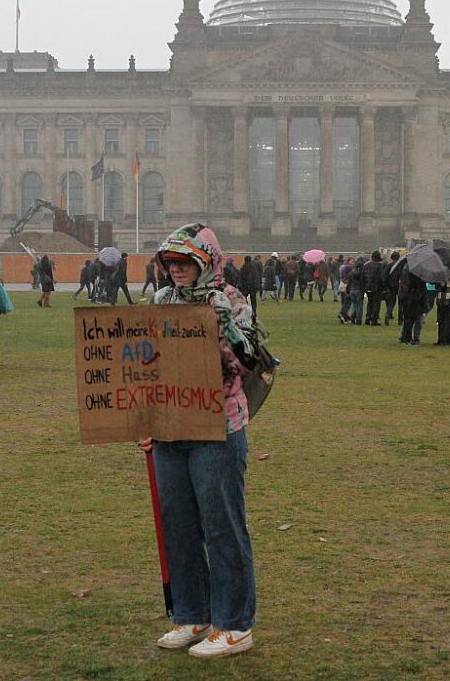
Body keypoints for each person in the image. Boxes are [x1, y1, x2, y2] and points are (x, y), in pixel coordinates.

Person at [141, 223, 257, 659]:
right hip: (171, 428)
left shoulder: (232, 300)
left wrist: (223, 325)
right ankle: (193, 615)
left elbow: (245, 363)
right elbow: (145, 366)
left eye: (185, 262)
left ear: (206, 263)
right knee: (179, 526)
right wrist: (144, 420)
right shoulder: (161, 301)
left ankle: (235, 624)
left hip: (218, 428)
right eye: (169, 262)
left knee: (222, 526)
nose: (176, 270)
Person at [398, 270, 427, 346]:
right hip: (415, 299)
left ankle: (405, 337)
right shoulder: (419, 276)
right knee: (416, 319)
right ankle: (413, 338)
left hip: (408, 298)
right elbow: (421, 288)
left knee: (407, 319)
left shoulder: (406, 272)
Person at [434, 273, 450, 345]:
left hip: (443, 296)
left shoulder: (443, 272)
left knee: (442, 319)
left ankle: (442, 339)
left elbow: (440, 285)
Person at [362, 251, 385, 325]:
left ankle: (368, 317)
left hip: (368, 287)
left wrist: (364, 286)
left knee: (370, 303)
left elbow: (363, 276)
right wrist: (384, 286)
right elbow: (382, 277)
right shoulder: (380, 265)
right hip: (377, 288)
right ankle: (374, 319)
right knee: (376, 304)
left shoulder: (366, 265)